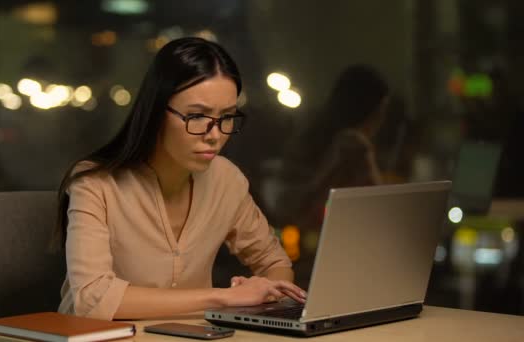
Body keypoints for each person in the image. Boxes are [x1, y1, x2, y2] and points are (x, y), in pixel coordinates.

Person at [51, 37, 306, 320]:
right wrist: (224, 298)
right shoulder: (95, 183)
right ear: (157, 111)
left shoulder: (225, 179)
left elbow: (274, 262)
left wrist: (268, 288)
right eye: (197, 116)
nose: (215, 134)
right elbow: (92, 299)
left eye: (227, 117)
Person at [279, 64, 389, 230]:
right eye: (380, 112)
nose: (381, 121)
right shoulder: (353, 145)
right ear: (370, 111)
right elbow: (382, 210)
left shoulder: (307, 138)